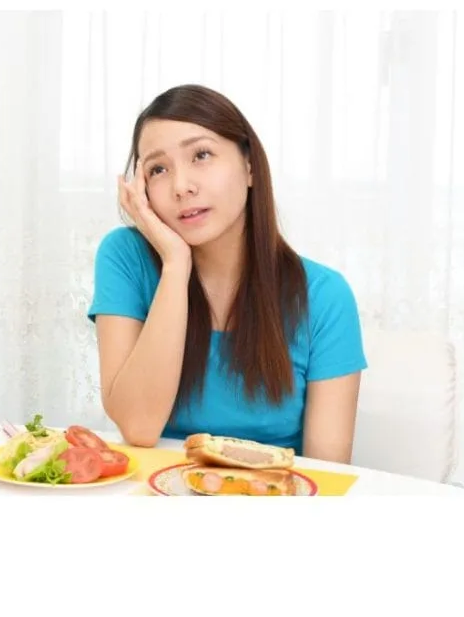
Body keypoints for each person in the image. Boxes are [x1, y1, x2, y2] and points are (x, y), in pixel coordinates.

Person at [87, 84, 367, 464]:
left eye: (201, 155)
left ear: (249, 166)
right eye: (158, 169)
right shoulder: (126, 257)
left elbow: (326, 474)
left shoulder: (324, 295)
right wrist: (175, 264)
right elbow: (139, 426)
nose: (182, 186)